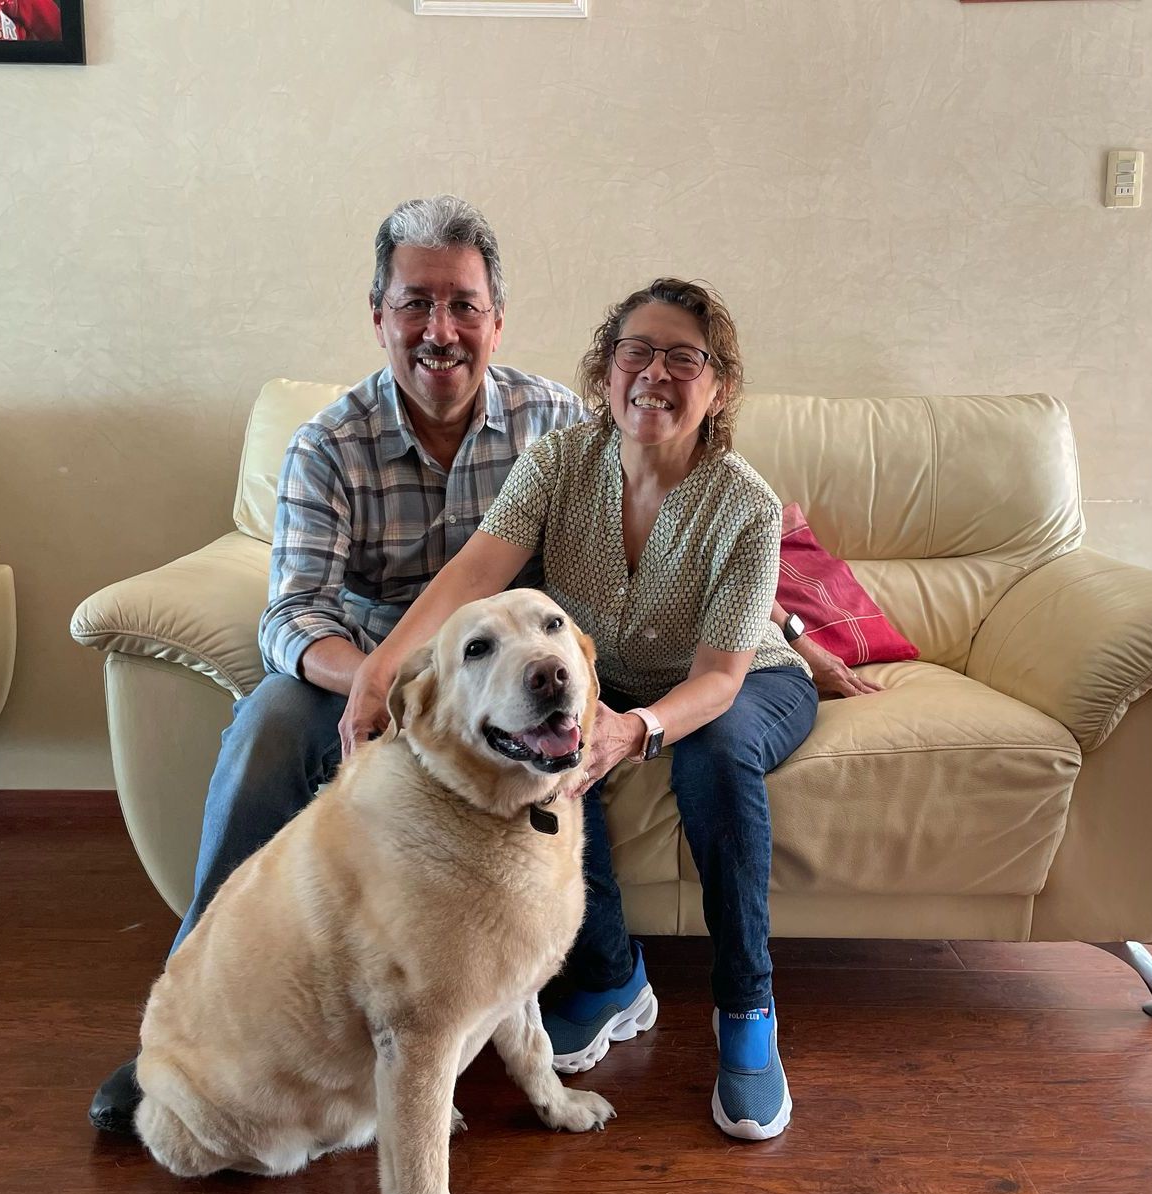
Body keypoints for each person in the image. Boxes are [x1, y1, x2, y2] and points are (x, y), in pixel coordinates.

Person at [88, 195, 589, 1134]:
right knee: (270, 727)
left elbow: (627, 547)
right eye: (416, 303)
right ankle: (189, 1025)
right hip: (358, 670)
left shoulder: (555, 422)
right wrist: (371, 679)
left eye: (464, 305)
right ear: (378, 314)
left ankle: (550, 986)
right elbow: (294, 612)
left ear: (497, 321)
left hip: (496, 690)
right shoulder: (328, 444)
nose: (440, 331)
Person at [340, 277, 842, 1141]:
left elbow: (720, 679)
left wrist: (635, 730)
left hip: (744, 679)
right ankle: (612, 976)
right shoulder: (557, 463)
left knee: (714, 750)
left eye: (683, 358)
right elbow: (475, 574)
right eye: (635, 352)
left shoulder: (747, 506)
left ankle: (747, 1008)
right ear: (606, 373)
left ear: (719, 388)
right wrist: (382, 674)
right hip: (611, 679)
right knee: (552, 751)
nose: (654, 373)